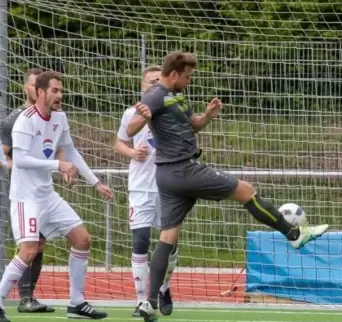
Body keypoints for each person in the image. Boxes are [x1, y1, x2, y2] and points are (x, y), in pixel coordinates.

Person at [127, 51, 330, 322]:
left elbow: (192, 125)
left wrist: (208, 115)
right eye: (186, 77)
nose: (189, 81)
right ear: (174, 74)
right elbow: (131, 129)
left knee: (168, 237)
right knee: (246, 190)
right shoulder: (155, 94)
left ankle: (149, 302)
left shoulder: (176, 95)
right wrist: (142, 116)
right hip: (184, 170)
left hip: (168, 176)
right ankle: (293, 234)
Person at [0, 71, 114, 322]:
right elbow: (20, 161)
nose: (60, 95)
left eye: (61, 91)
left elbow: (71, 152)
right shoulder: (25, 120)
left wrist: (95, 183)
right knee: (29, 250)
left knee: (82, 239)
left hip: (47, 196)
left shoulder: (60, 118)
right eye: (55, 90)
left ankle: (76, 304)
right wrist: (57, 166)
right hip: (25, 198)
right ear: (40, 93)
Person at [115, 65, 178, 317]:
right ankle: (142, 300)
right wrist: (132, 152)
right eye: (149, 82)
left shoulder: (172, 111)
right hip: (140, 188)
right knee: (140, 241)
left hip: (168, 187)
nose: (153, 85)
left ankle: (164, 288)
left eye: (157, 81)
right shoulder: (130, 113)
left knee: (170, 246)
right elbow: (119, 143)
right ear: (143, 86)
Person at [0, 68, 58, 313]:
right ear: (28, 88)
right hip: (22, 191)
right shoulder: (15, 118)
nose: (39, 90)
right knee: (28, 245)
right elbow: (4, 153)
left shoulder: (51, 116)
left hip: (44, 190)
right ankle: (21, 297)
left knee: (39, 244)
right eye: (35, 85)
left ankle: (28, 296)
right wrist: (12, 164)